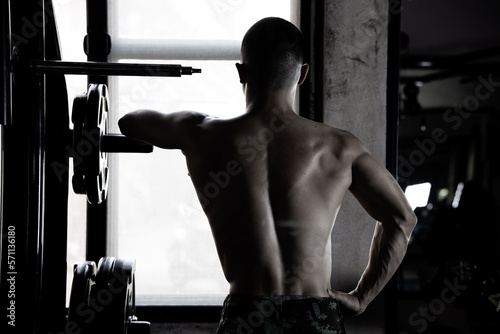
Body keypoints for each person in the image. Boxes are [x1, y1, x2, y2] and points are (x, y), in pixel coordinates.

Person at [119, 17, 417, 334]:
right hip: (313, 314)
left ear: (241, 72)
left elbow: (130, 122)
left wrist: (194, 119)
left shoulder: (203, 134)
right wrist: (362, 298)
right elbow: (402, 219)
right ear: (302, 74)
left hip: (246, 314)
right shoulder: (340, 147)